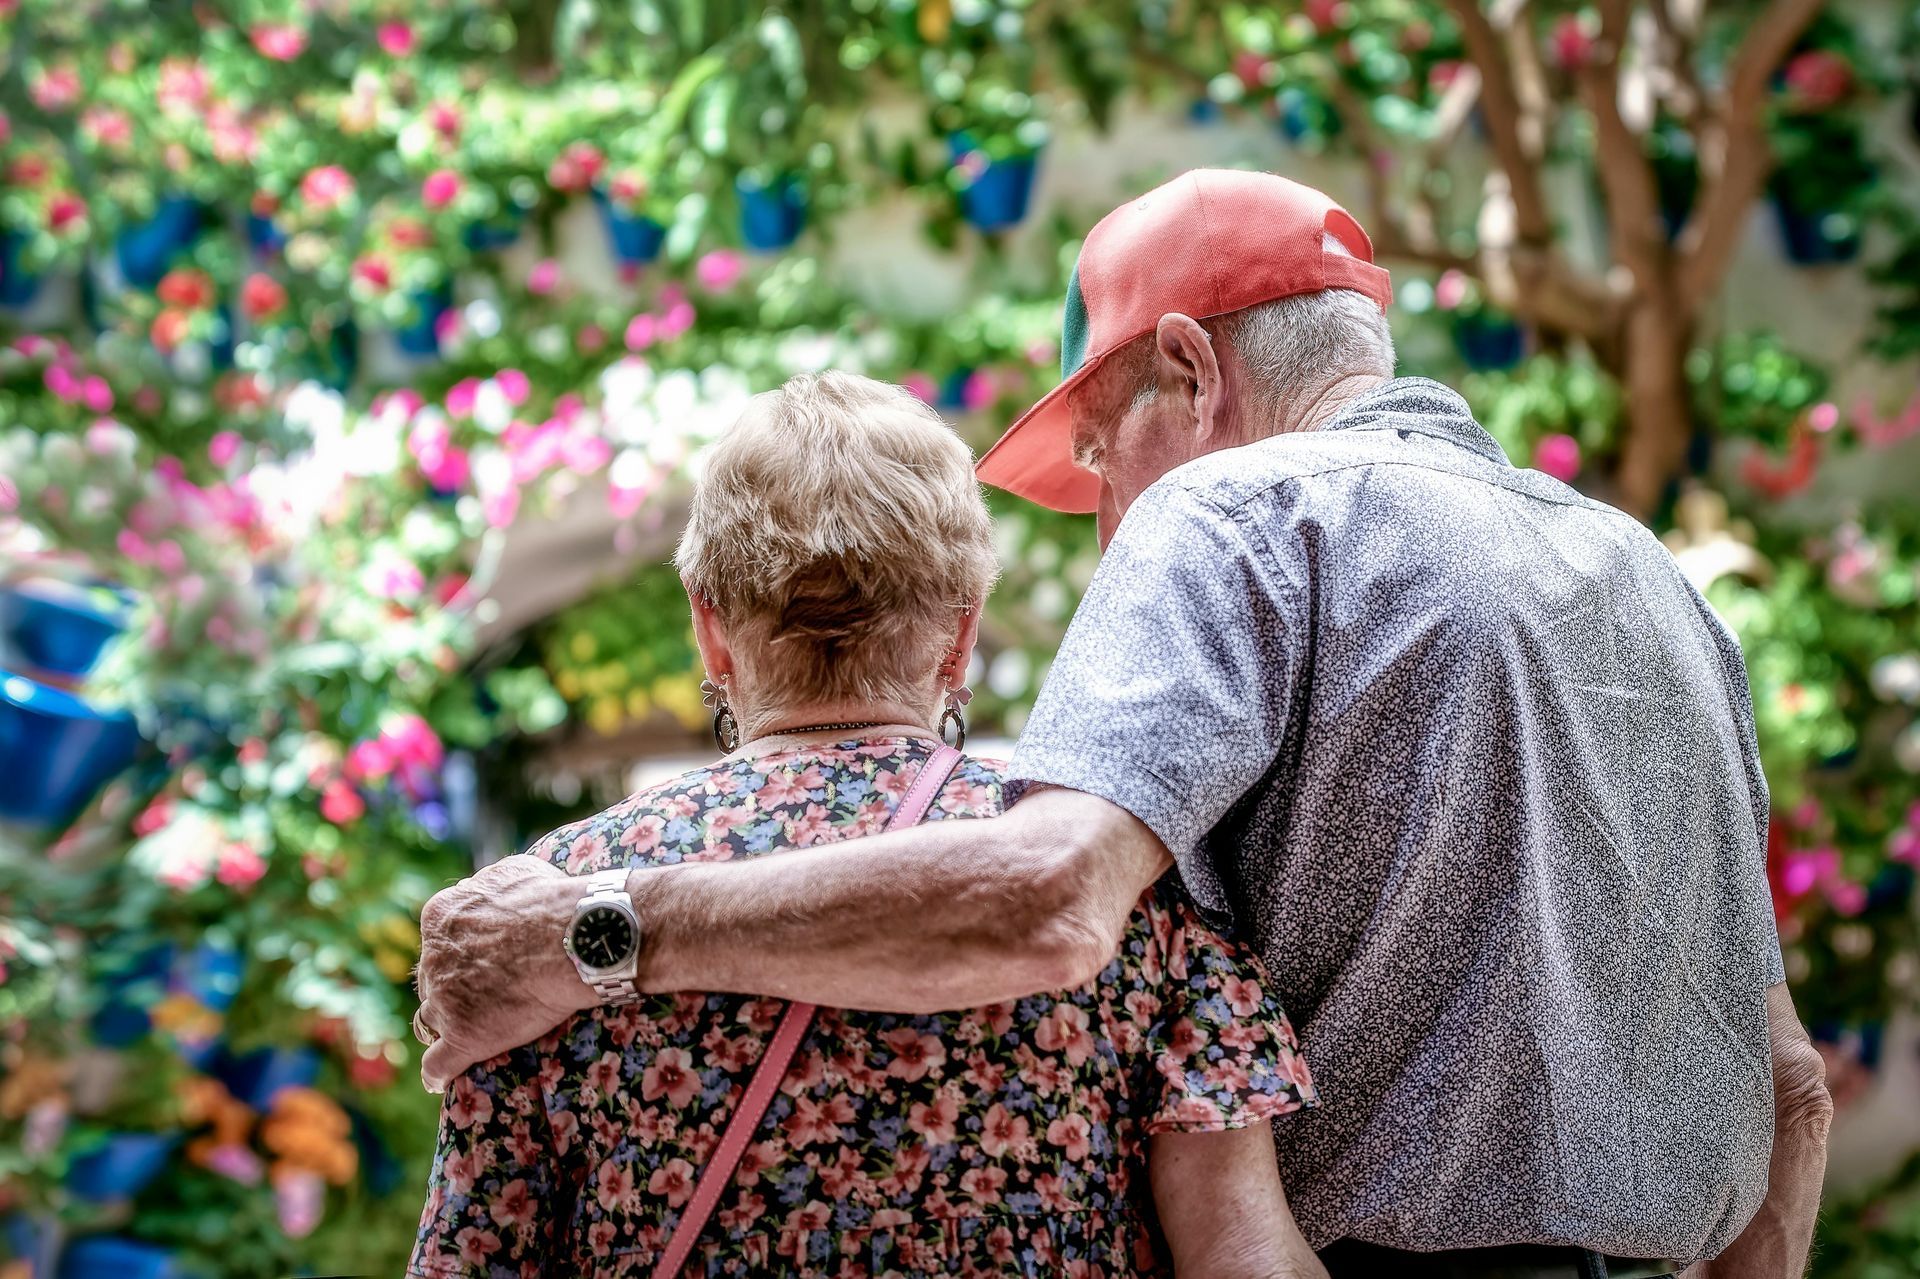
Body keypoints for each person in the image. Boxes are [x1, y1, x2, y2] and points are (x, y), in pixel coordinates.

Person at [415, 171, 1833, 1278]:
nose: (1107, 515)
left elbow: (1044, 896)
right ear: (955, 628)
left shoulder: (1238, 509)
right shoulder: (1653, 579)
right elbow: (1791, 1090)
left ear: (1187, 368)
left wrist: (598, 932)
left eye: (1097, 452)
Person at [409, 371, 1326, 1278]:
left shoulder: (545, 913)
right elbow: (1242, 1253)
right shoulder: (1122, 873)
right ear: (961, 635)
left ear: (711, 630)